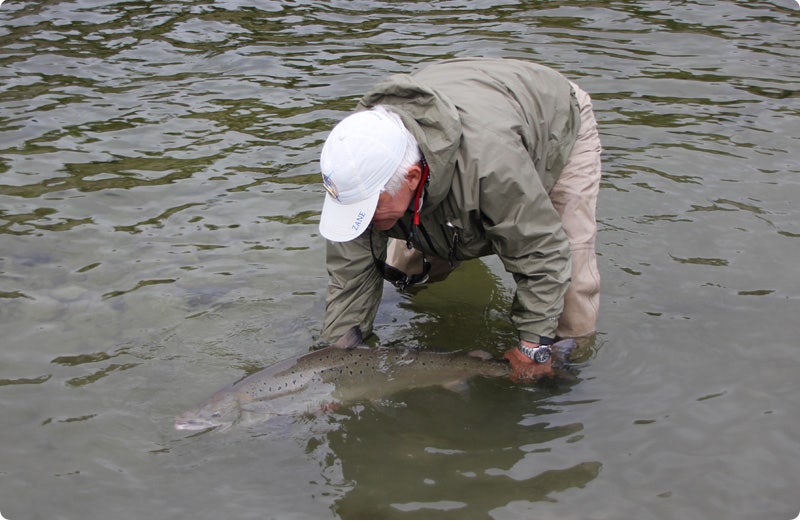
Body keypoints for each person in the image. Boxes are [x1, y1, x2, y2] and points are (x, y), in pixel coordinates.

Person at [317, 57, 601, 380]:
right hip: (460, 131)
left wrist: (534, 345)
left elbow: (543, 252)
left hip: (552, 130)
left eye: (369, 208)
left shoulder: (494, 168)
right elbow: (349, 284)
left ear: (411, 178)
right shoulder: (354, 163)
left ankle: (570, 381)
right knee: (406, 274)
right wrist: (334, 370)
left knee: (566, 316)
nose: (361, 219)